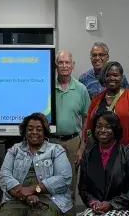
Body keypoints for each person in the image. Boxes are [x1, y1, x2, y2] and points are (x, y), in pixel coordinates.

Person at [0, 113, 73, 216]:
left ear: (45, 132)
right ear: (24, 131)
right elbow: (4, 175)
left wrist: (33, 189)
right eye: (30, 129)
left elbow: (64, 178)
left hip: (49, 198)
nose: (34, 132)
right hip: (17, 197)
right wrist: (23, 195)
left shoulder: (56, 150)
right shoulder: (15, 149)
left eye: (39, 129)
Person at [81, 61, 129, 156]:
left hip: (127, 155)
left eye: (115, 75)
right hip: (100, 155)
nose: (111, 78)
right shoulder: (96, 100)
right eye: (108, 75)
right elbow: (88, 128)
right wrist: (85, 147)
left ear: (122, 78)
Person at [77, 111, 129, 216]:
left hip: (122, 208)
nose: (102, 130)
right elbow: (83, 188)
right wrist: (93, 202)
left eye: (108, 127)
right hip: (95, 209)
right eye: (99, 126)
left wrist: (111, 204)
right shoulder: (88, 155)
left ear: (115, 129)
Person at [52, 50, 89, 195]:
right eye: (60, 62)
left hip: (74, 142)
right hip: (52, 142)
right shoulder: (48, 87)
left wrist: (82, 148)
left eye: (67, 62)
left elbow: (87, 121)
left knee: (71, 185)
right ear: (56, 66)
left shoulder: (81, 89)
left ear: (72, 66)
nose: (64, 66)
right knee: (51, 182)